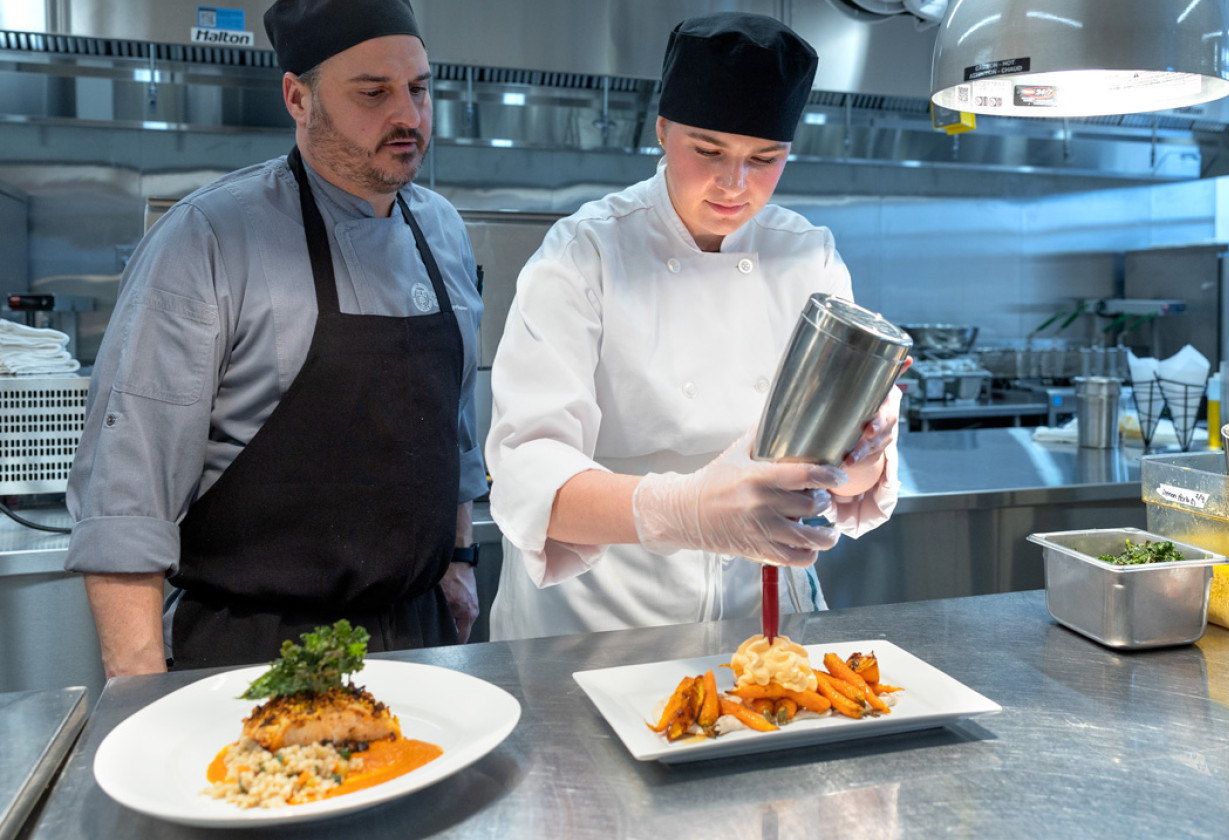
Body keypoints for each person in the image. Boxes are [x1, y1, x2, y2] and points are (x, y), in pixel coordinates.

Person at [64, 0, 487, 676]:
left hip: (421, 647)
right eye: (373, 93)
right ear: (297, 96)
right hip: (253, 657)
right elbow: (126, 502)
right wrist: (138, 709)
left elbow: (453, 429)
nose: (408, 116)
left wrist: (459, 561)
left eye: (419, 87)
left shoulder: (443, 231)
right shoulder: (207, 240)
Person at [486, 12, 902, 641]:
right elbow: (527, 473)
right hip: (599, 623)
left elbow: (847, 485)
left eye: (763, 159)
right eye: (707, 151)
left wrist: (864, 450)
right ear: (662, 129)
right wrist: (683, 511)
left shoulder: (807, 255)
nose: (733, 184)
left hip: (763, 615)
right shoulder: (586, 253)